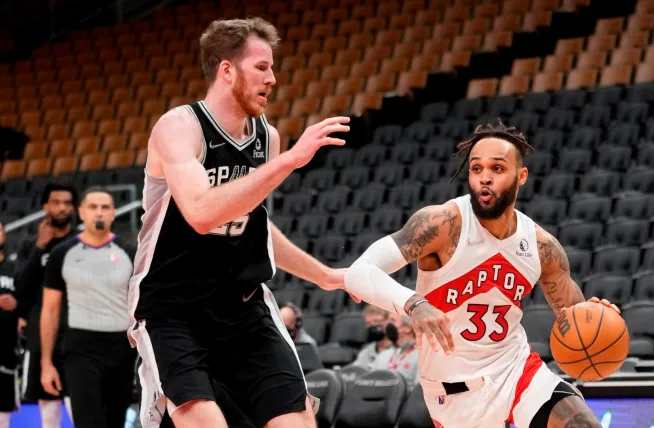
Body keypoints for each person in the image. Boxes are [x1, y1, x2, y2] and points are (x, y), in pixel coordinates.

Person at [127, 18, 355, 428]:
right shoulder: (179, 127)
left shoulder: (266, 138)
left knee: (296, 422)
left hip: (241, 305)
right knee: (205, 421)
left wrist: (322, 275)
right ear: (227, 70)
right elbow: (200, 213)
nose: (273, 77)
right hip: (172, 307)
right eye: (262, 67)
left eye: (272, 67)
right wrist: (290, 162)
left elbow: (253, 223)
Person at [345, 121, 619, 428]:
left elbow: (575, 322)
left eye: (498, 169)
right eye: (476, 169)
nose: (484, 178)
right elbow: (359, 272)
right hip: (451, 395)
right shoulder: (442, 225)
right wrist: (414, 304)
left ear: (521, 176)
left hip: (517, 372)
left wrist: (595, 317)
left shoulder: (542, 247)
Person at [39, 187, 137, 428]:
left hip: (122, 349)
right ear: (81, 212)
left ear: (114, 213)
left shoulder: (130, 253)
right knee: (88, 422)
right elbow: (50, 310)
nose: (99, 213)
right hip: (80, 349)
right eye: (93, 207)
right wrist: (46, 363)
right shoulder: (62, 254)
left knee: (115, 421)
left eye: (105, 207)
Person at [14, 182, 76, 427]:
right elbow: (21, 287)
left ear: (74, 208)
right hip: (41, 338)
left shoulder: (80, 241)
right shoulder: (30, 246)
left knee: (80, 406)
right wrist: (40, 247)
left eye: (67, 203)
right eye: (56, 202)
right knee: (46, 410)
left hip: (75, 336)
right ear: (45, 206)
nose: (62, 208)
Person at [0, 223, 20, 428]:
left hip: (6, 350)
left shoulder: (14, 269)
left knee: (3, 411)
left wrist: (17, 306)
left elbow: (26, 301)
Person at [371, 313, 418, 389]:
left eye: (392, 320)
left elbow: (419, 393)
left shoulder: (421, 356)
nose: (386, 325)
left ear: (408, 327)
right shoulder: (383, 355)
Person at [353, 305, 395, 370]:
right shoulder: (365, 352)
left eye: (377, 321)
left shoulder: (398, 351)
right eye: (368, 323)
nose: (373, 326)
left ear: (389, 321)